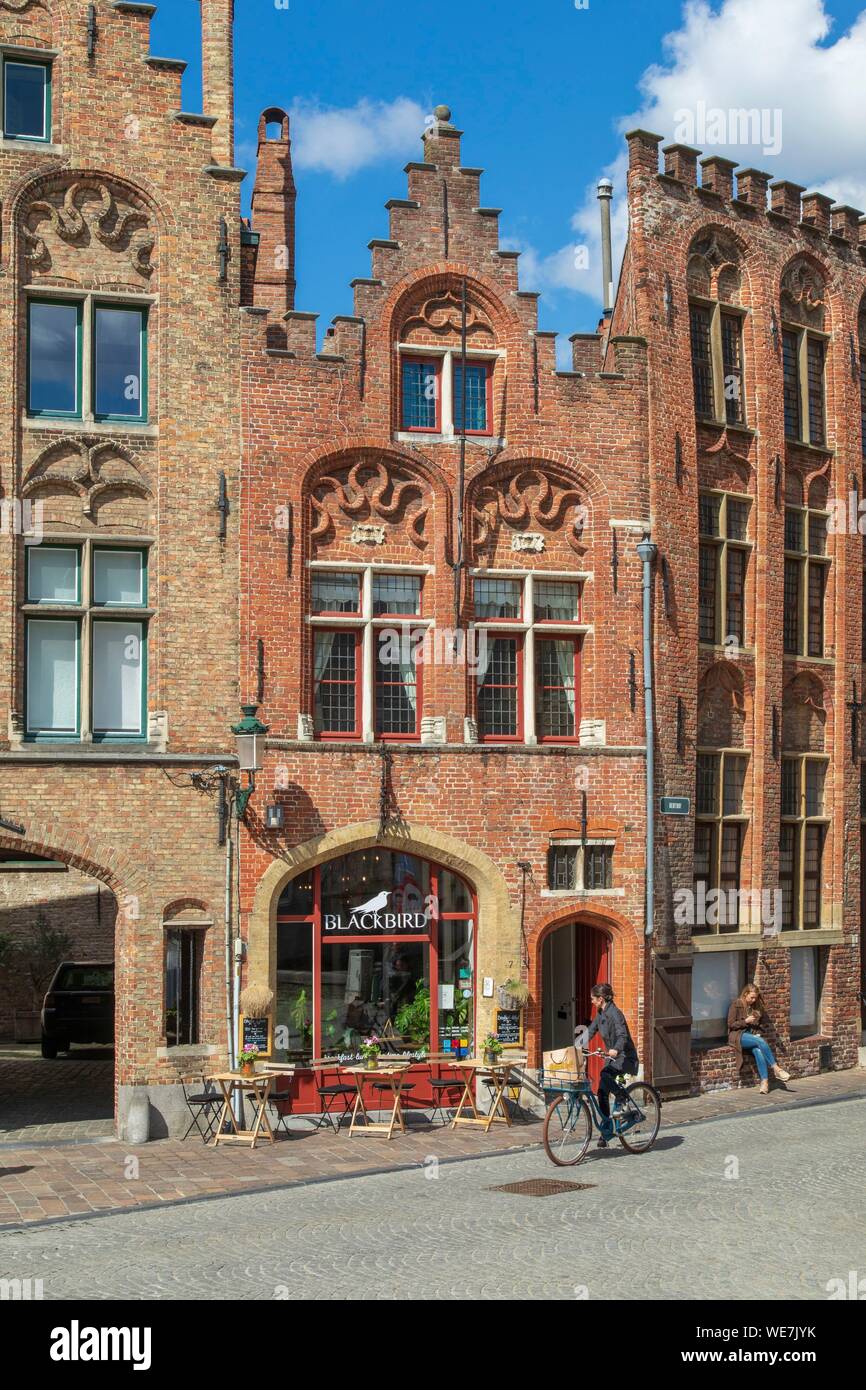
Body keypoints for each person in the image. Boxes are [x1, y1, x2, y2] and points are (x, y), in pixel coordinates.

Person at [584, 983, 639, 1146]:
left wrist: (615, 1049)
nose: (591, 1001)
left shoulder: (615, 1014)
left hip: (625, 1056)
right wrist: (574, 1046)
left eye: (593, 999)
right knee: (601, 1091)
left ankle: (622, 1096)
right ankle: (607, 1130)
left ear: (600, 999)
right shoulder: (600, 1013)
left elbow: (622, 1036)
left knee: (604, 1075)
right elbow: (591, 1030)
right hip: (613, 1057)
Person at [727, 983, 791, 1094]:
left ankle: (764, 1083)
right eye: (752, 997)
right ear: (745, 994)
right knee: (760, 1041)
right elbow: (731, 1024)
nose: (753, 1000)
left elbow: (759, 1025)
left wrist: (756, 1031)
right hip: (738, 1036)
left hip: (751, 1036)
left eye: (755, 998)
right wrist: (745, 1021)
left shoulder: (756, 1007)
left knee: (758, 1050)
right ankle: (776, 1068)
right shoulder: (736, 1004)